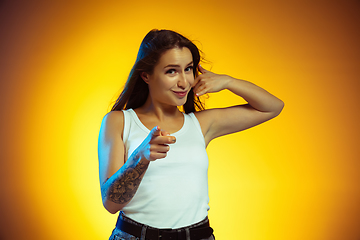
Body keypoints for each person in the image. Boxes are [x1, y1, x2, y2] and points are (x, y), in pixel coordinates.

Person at [98, 29, 284, 240]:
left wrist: (229, 82)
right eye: (171, 71)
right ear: (146, 75)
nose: (184, 82)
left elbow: (272, 107)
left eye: (188, 69)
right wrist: (140, 157)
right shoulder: (119, 121)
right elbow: (111, 203)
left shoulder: (200, 124)